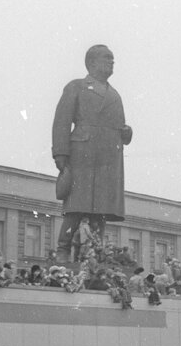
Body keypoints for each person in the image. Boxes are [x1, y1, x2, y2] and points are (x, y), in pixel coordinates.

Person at [51, 44, 134, 262]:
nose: (111, 62)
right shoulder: (77, 86)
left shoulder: (114, 94)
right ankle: (63, 250)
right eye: (107, 58)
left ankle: (95, 254)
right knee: (76, 207)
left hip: (107, 160)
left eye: (113, 59)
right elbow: (62, 121)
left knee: (100, 211)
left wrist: (127, 132)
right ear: (92, 62)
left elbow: (120, 126)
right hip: (83, 155)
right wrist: (60, 154)